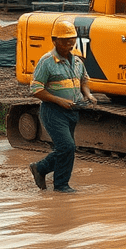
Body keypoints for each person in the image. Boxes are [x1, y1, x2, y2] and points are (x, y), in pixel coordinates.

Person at [28, 20, 97, 193]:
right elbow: (36, 90)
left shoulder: (77, 61)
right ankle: (59, 183)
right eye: (65, 40)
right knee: (67, 146)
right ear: (54, 40)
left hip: (72, 111)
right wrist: (59, 100)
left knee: (66, 149)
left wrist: (88, 94)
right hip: (53, 111)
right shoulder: (46, 62)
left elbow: (84, 80)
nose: (69, 44)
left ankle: (44, 171)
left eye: (72, 40)